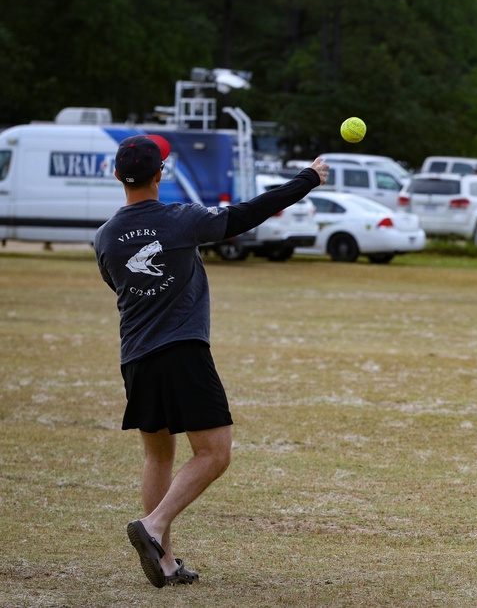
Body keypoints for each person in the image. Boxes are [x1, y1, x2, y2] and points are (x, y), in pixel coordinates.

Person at [94, 134, 329, 587]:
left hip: (135, 357)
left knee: (158, 455)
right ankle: (154, 525)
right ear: (161, 173)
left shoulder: (105, 236)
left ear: (116, 176)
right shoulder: (180, 219)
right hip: (181, 350)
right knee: (215, 453)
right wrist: (306, 179)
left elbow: (118, 287)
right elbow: (245, 214)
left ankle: (164, 563)